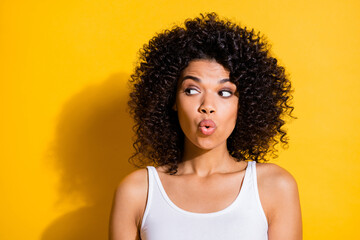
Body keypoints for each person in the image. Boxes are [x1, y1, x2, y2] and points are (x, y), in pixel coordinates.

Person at [110, 13, 302, 240]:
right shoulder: (137, 191)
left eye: (224, 93)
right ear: (172, 99)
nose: (207, 106)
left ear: (244, 105)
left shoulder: (275, 186)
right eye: (192, 90)